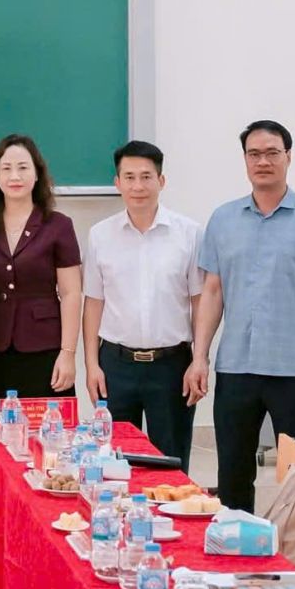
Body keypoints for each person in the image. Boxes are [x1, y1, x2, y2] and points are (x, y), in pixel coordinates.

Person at [190, 120, 295, 512]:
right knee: (233, 472)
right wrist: (199, 357)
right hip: (236, 367)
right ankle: (237, 543)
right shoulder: (223, 219)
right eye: (254, 154)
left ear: (288, 157)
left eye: (272, 153)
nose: (263, 161)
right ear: (245, 160)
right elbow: (212, 291)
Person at [81, 141, 204, 469]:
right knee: (114, 463)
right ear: (117, 182)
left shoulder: (189, 234)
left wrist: (200, 359)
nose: (138, 186)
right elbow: (93, 303)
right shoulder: (100, 235)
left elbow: (200, 301)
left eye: (146, 177)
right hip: (116, 364)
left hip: (172, 365)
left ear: (161, 181)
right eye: (130, 177)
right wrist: (91, 365)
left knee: (171, 462)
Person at [0, 135, 82, 421]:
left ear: (37, 174)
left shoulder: (58, 225)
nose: (14, 176)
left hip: (46, 348)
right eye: (6, 168)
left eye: (22, 167)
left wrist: (68, 353)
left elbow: (71, 293)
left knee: (51, 432)